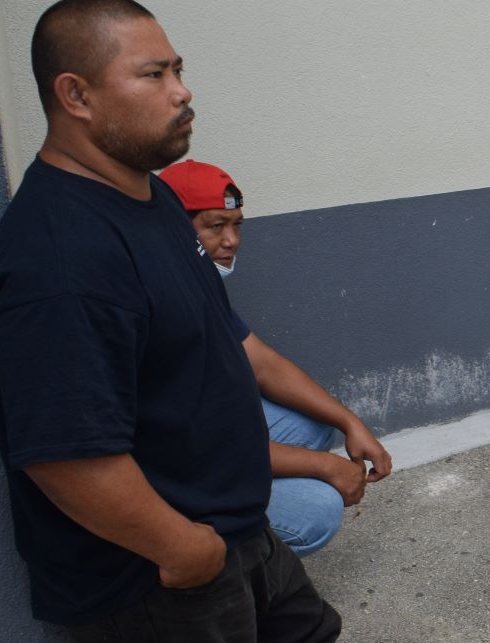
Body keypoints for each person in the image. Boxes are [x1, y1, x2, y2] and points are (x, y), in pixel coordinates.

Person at [0, 0, 403, 643]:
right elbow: (63, 455)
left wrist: (328, 427)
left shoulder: (143, 205)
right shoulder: (59, 258)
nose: (183, 92)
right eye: (154, 73)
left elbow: (230, 347)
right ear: (76, 95)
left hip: (225, 512)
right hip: (153, 558)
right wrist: (182, 548)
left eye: (178, 69)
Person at [158, 159, 393, 555]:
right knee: (316, 511)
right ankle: (214, 555)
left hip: (204, 446)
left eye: (237, 225)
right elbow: (209, 444)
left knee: (315, 422)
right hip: (167, 481)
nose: (232, 240)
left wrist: (349, 421)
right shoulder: (162, 304)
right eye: (216, 226)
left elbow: (264, 364)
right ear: (173, 228)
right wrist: (325, 467)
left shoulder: (195, 285)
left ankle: (239, 499)